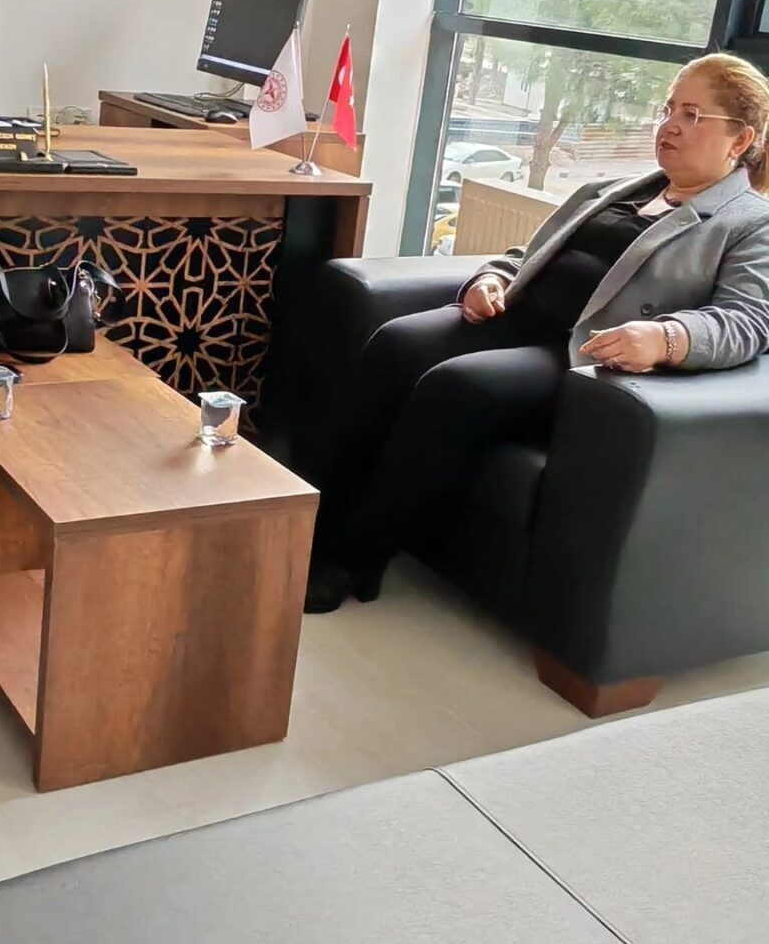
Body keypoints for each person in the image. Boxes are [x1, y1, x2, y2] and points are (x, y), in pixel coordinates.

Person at [307, 52, 769, 614]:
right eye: (669, 108)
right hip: (516, 316)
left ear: (740, 139)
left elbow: (748, 321)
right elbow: (527, 254)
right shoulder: (614, 188)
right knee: (394, 344)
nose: (669, 125)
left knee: (456, 387)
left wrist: (667, 337)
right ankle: (307, 526)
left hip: (577, 354)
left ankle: (353, 560)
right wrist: (492, 278)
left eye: (692, 115)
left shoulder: (750, 223)